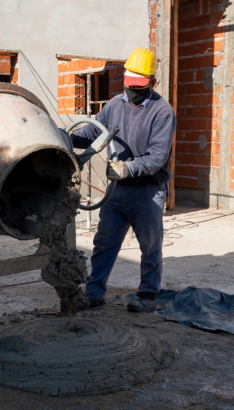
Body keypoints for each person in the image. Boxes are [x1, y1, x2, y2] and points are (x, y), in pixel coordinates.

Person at [71, 48, 176, 313]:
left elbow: (157, 157)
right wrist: (67, 137)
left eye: (140, 86)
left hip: (146, 192)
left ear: (153, 83)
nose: (132, 91)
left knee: (150, 245)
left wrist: (128, 168)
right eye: (129, 85)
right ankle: (94, 294)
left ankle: (148, 295)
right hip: (116, 191)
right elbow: (94, 131)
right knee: (104, 243)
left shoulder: (162, 112)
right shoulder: (114, 105)